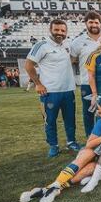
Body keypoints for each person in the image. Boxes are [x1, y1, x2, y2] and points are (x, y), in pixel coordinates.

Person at [20, 101, 101, 202]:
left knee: (89, 168)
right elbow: (89, 144)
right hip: (92, 152)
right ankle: (54, 186)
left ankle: (49, 188)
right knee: (87, 153)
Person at [25, 19, 81, 157]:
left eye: (62, 30)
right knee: (50, 120)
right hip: (49, 91)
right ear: (51, 30)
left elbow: (72, 60)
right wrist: (38, 83)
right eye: (57, 30)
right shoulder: (42, 45)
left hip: (68, 90)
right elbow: (28, 65)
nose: (59, 33)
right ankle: (53, 145)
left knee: (70, 119)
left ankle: (71, 142)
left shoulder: (67, 45)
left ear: (66, 32)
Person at [69, 11, 101, 137]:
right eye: (91, 22)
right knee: (88, 112)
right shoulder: (77, 41)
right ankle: (90, 138)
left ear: (100, 24)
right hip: (86, 82)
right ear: (86, 24)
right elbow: (71, 61)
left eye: (96, 22)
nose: (94, 25)